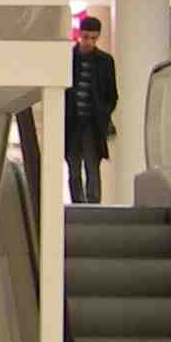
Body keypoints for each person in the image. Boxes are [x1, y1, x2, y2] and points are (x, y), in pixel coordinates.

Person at [65, 15, 119, 203]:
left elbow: (112, 94)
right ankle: (77, 204)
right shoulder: (68, 58)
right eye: (86, 37)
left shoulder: (105, 61)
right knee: (73, 168)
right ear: (80, 34)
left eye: (93, 38)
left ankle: (93, 204)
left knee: (92, 166)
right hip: (71, 123)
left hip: (92, 123)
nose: (89, 42)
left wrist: (103, 113)